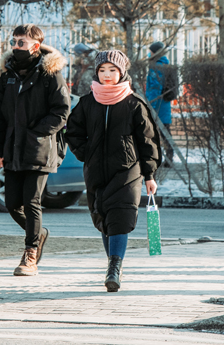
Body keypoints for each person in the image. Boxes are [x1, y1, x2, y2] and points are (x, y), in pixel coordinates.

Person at [66, 50, 160, 292]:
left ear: (122, 72)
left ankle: (114, 268)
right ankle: (113, 265)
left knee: (120, 216)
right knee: (104, 218)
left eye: (112, 70)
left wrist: (149, 175)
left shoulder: (134, 103)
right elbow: (73, 132)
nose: (107, 75)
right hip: (96, 171)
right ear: (96, 73)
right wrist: (87, 153)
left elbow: (148, 141)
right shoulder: (87, 103)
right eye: (102, 70)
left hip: (128, 170)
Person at [0, 24, 70, 277]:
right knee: (13, 204)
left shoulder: (50, 74)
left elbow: (61, 111)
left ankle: (30, 254)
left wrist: (36, 134)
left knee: (32, 201)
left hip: (39, 149)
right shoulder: (8, 76)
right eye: (14, 42)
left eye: (21, 42)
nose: (15, 46)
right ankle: (39, 233)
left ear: (36, 45)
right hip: (12, 149)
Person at [144, 42, 173, 130]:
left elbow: (155, 88)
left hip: (157, 106)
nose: (149, 54)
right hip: (163, 105)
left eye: (150, 52)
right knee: (165, 132)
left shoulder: (156, 67)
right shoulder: (164, 64)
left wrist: (151, 106)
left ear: (156, 53)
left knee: (158, 133)